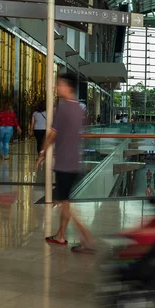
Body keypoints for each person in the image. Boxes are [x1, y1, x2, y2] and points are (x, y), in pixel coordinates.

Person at [38, 73, 95, 253]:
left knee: (64, 202)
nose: (57, 87)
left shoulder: (62, 108)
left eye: (60, 84)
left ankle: (86, 237)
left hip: (64, 163)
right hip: (74, 162)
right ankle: (60, 235)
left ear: (69, 88)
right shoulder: (79, 108)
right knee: (65, 201)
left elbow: (52, 135)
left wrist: (42, 152)